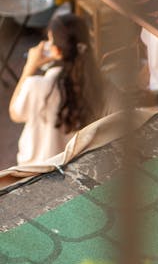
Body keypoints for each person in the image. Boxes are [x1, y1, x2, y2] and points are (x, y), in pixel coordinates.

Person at [9, 12, 104, 165]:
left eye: (50, 39)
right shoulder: (96, 82)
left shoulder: (36, 85)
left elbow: (14, 113)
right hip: (71, 164)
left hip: (33, 169)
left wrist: (29, 67)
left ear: (57, 51)